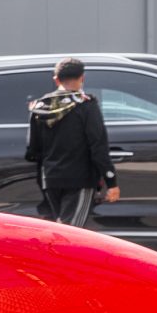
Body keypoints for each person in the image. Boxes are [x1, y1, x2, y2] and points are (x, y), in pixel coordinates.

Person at [25, 57, 119, 227]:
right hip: (80, 179)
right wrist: (111, 182)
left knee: (59, 228)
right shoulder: (86, 106)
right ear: (82, 78)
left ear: (56, 80)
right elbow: (98, 146)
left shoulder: (39, 107)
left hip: (50, 178)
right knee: (71, 232)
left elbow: (33, 149)